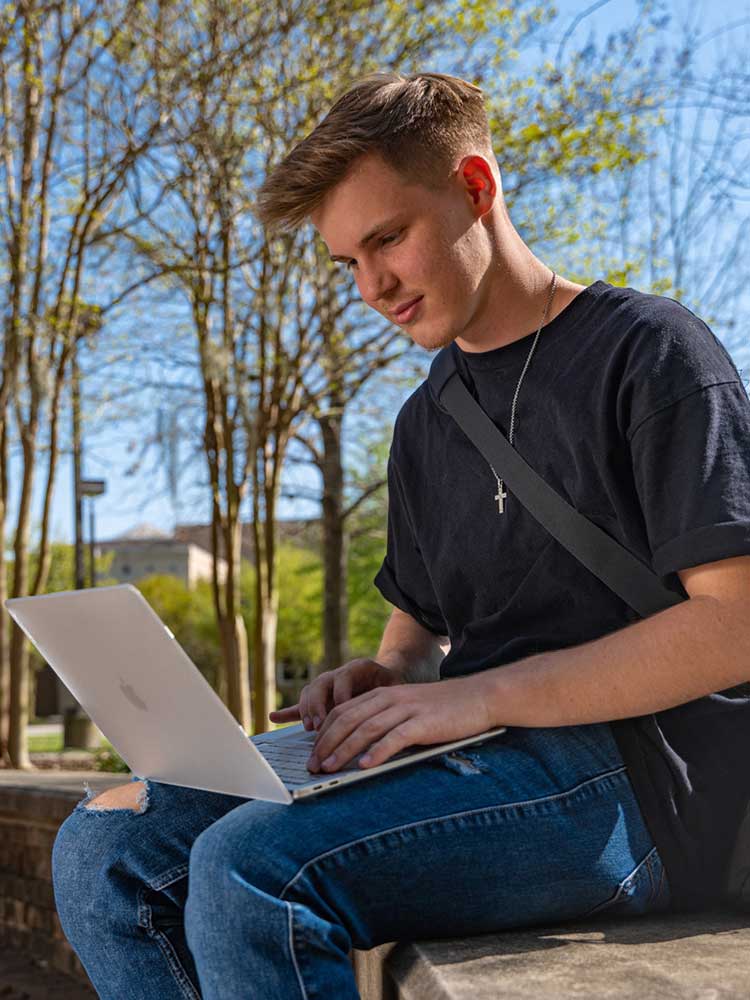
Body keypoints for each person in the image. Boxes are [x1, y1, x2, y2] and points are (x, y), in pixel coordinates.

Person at [52, 71, 750, 1000]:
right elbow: (416, 649)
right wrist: (381, 683)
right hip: (484, 759)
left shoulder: (650, 351)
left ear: (475, 187)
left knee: (252, 871)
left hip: (638, 787)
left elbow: (732, 624)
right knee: (103, 845)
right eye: (348, 263)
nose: (373, 288)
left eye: (388, 240)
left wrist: (477, 698)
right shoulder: (428, 423)